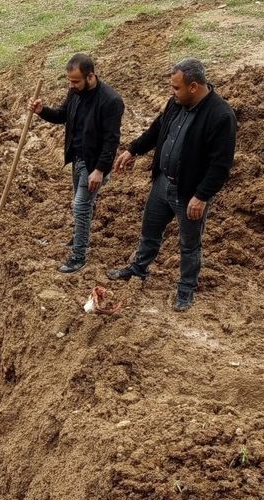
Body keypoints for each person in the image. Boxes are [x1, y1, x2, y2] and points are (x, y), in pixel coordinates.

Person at [108, 58, 237, 311]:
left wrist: (201, 196)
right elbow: (157, 131)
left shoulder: (221, 116)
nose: (172, 92)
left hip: (189, 193)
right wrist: (133, 150)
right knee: (149, 231)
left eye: (176, 87)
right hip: (162, 183)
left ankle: (186, 288)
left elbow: (220, 166)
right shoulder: (175, 104)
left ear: (194, 86)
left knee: (189, 243)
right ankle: (138, 268)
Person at [29, 53, 125, 273]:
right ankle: (78, 237)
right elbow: (63, 115)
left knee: (81, 206)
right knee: (82, 203)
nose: (71, 85)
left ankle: (79, 256)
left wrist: (100, 170)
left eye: (75, 81)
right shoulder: (75, 93)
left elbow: (112, 140)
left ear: (90, 76)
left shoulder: (111, 101)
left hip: (94, 164)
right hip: (78, 159)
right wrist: (41, 111)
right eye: (69, 81)